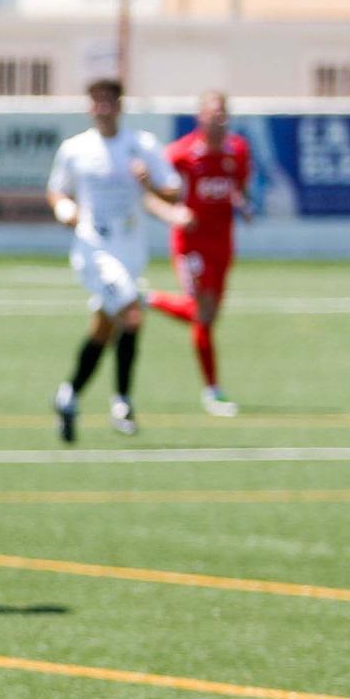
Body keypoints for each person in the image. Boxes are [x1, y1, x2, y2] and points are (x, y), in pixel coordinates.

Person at [47, 79, 186, 442]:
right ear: (89, 106)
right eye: (97, 101)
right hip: (94, 249)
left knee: (104, 329)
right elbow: (57, 189)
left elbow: (173, 190)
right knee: (132, 312)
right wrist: (65, 209)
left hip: (130, 250)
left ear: (120, 105)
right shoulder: (75, 149)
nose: (103, 107)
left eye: (109, 100)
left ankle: (68, 395)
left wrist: (149, 184)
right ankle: (122, 401)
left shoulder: (141, 146)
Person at [149, 90, 251, 417]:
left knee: (209, 315)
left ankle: (148, 298)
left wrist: (241, 203)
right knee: (201, 312)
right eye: (211, 114)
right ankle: (213, 391)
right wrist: (172, 213)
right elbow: (148, 191)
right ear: (200, 117)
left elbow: (237, 188)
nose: (217, 120)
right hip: (190, 242)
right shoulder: (180, 154)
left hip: (222, 242)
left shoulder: (238, 150)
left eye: (222, 114)